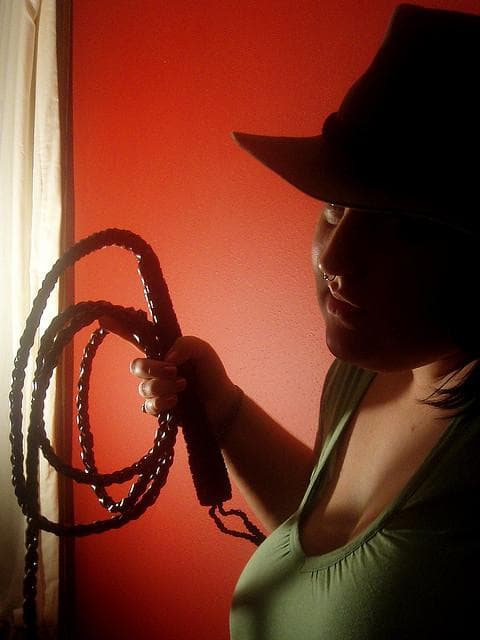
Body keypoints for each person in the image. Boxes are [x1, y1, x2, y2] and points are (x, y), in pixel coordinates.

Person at [131, 4, 480, 638]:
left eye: (395, 227)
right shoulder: (363, 370)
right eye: (333, 209)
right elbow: (338, 546)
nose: (336, 259)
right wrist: (222, 408)